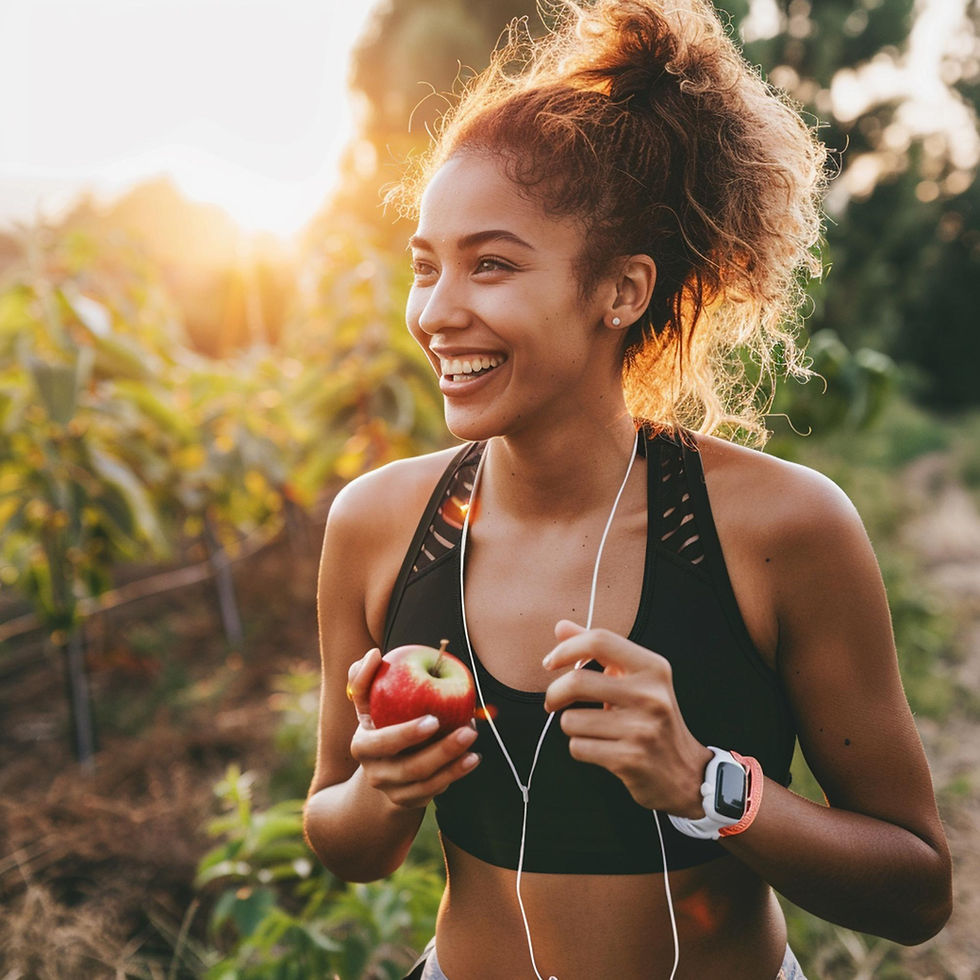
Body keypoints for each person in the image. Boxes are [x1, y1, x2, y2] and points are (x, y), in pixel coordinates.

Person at [303, 1, 953, 977]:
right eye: (425, 267)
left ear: (619, 290)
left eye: (491, 264)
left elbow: (915, 891)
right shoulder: (376, 525)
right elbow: (342, 837)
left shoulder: (782, 526)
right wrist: (382, 790)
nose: (437, 313)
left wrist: (704, 781)